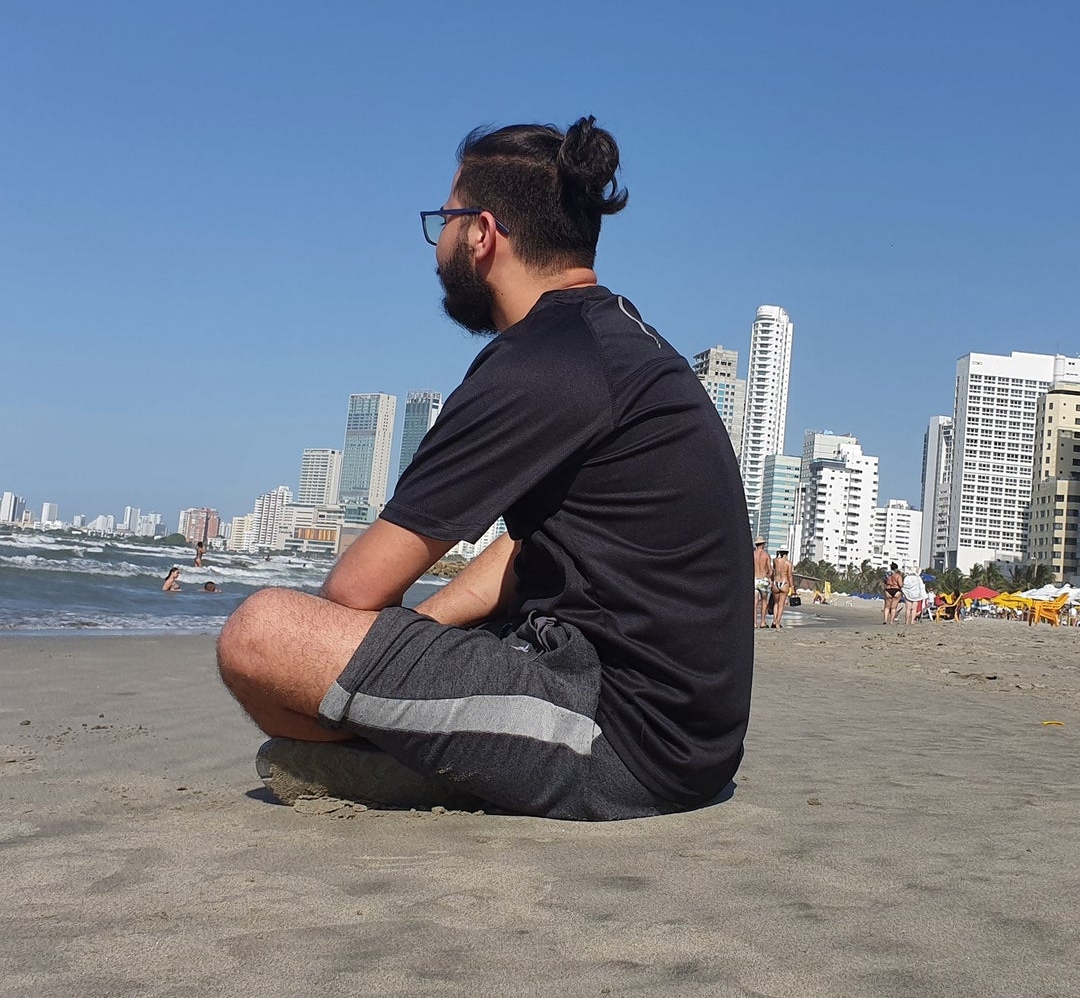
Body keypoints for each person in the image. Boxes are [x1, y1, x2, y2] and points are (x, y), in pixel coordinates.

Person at [216, 117, 753, 821]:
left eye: (443, 219)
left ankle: (424, 767)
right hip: (682, 734)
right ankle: (432, 754)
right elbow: (527, 549)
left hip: (625, 740)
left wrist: (385, 653)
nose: (438, 241)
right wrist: (424, 631)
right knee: (360, 651)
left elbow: (353, 591)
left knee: (261, 635)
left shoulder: (541, 363)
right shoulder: (617, 341)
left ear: (482, 233)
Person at [769, 549, 794, 629]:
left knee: (776, 603)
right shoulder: (788, 563)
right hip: (784, 582)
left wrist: (771, 580)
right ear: (787, 553)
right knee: (781, 604)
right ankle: (777, 623)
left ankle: (774, 621)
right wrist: (792, 587)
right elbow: (789, 576)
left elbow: (773, 572)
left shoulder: (775, 560)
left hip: (776, 582)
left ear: (780, 552)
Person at [752, 538, 772, 629]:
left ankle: (754, 623)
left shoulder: (752, 555)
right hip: (763, 579)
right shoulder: (766, 555)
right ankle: (762, 622)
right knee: (764, 600)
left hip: (755, 579)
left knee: (754, 602)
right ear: (763, 544)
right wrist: (768, 577)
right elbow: (770, 570)